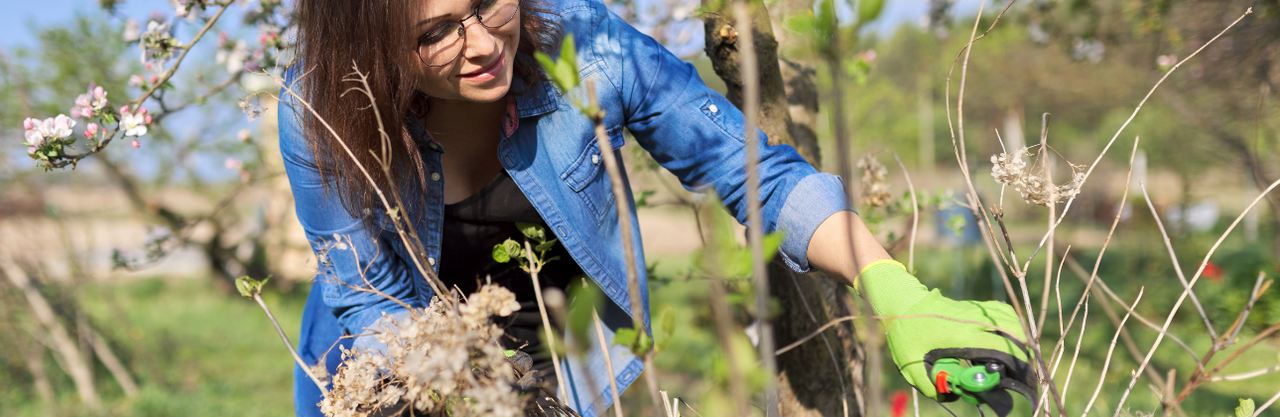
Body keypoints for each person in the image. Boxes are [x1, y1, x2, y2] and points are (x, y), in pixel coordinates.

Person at [278, 0, 1027, 415]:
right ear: (373, 46)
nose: (482, 43)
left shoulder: (593, 48)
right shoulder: (323, 111)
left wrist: (894, 289)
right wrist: (467, 395)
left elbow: (751, 170)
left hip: (562, 364)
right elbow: (368, 298)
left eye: (486, 3)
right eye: (437, 31)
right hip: (392, 372)